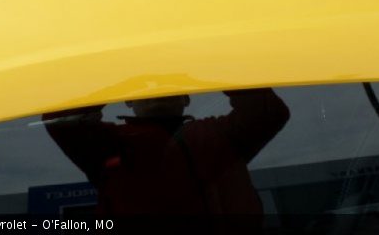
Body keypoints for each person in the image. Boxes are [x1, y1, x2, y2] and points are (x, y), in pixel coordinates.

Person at [43, 89, 290, 217]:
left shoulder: (220, 134)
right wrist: (118, 71)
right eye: (143, 88)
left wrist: (206, 57)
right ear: (127, 100)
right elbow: (62, 120)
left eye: (168, 84)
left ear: (186, 98)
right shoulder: (106, 144)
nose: (157, 90)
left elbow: (267, 113)